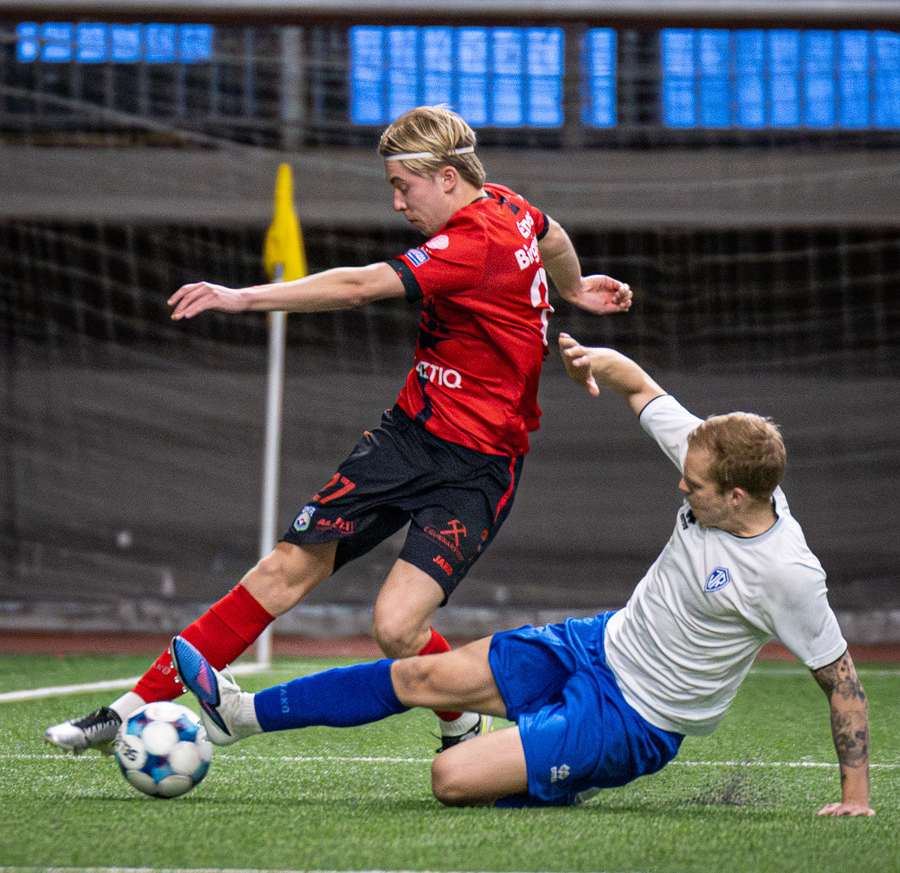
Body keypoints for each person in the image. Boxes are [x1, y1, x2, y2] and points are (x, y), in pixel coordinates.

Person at [45, 106, 632, 757]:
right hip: (406, 439)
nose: (396, 202)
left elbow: (357, 286)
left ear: (446, 177)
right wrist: (575, 287)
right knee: (282, 571)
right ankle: (127, 710)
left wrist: (242, 297)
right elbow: (552, 235)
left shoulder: (473, 242)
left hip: (479, 466)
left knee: (397, 629)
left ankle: (464, 714)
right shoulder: (507, 204)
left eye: (403, 187)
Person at [170, 332, 873, 816]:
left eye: (695, 486)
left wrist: (856, 796)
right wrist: (594, 359)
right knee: (418, 675)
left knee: (451, 779)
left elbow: (841, 682)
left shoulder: (787, 574)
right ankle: (240, 715)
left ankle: (566, 763)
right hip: (595, 643)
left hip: (636, 718)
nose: (681, 487)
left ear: (738, 497)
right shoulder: (708, 454)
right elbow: (637, 386)